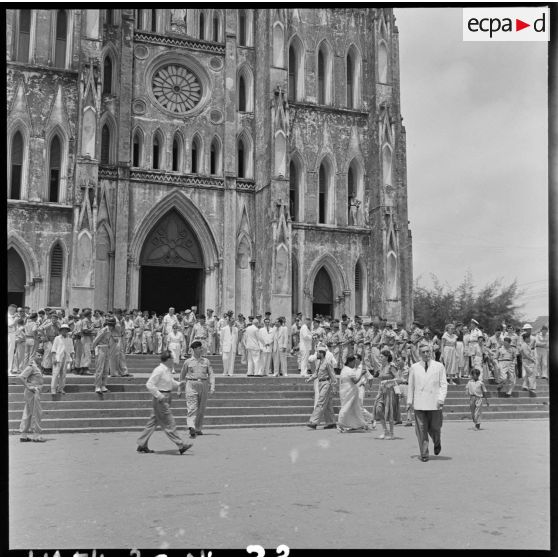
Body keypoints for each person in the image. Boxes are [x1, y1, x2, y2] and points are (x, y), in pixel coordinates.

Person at [136, 350, 193, 454]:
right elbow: (149, 384)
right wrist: (159, 395)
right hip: (161, 398)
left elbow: (169, 382)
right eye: (172, 358)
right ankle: (181, 444)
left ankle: (142, 444)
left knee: (152, 422)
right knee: (169, 422)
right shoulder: (159, 370)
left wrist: (178, 384)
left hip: (166, 396)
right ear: (168, 359)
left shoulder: (166, 370)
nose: (173, 360)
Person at [407, 344, 448, 462]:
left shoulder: (439, 366)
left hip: (434, 402)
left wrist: (441, 399)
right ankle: (424, 453)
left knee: (435, 427)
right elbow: (411, 386)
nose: (426, 354)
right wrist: (409, 401)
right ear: (419, 354)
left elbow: (443, 384)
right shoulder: (414, 367)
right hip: (419, 403)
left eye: (427, 351)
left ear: (431, 352)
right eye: (423, 352)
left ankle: (437, 441)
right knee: (421, 429)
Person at [179, 341, 215, 438]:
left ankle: (198, 428)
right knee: (192, 407)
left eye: (201, 348)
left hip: (203, 384)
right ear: (194, 349)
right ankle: (191, 426)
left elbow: (211, 374)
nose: (201, 349)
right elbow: (182, 375)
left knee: (201, 408)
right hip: (191, 384)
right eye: (199, 348)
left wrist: (212, 386)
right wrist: (180, 388)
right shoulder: (188, 362)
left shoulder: (206, 361)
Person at [305, 344, 337, 430]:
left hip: (326, 383)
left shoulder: (327, 362)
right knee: (327, 405)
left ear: (322, 353)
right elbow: (316, 373)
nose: (317, 354)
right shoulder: (319, 362)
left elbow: (332, 375)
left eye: (318, 353)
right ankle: (331, 422)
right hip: (320, 383)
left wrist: (334, 386)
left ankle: (313, 422)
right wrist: (309, 379)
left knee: (320, 402)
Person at [337, 355, 370, 432]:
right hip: (350, 391)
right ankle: (340, 423)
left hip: (346, 390)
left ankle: (359, 424)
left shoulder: (344, 369)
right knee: (347, 407)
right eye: (353, 362)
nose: (354, 364)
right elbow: (355, 381)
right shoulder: (349, 370)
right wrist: (361, 374)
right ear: (350, 362)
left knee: (355, 408)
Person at [373, 349, 400, 440]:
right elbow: (380, 379)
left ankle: (391, 433)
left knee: (390, 411)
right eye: (380, 356)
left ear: (387, 357)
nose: (380, 358)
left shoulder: (391, 366)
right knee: (378, 409)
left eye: (382, 356)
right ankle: (385, 431)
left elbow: (398, 378)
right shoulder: (381, 367)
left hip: (390, 391)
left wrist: (388, 381)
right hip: (381, 391)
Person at [18, 355, 46, 443]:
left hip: (33, 391)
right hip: (33, 391)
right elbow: (21, 377)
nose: (40, 357)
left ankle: (23, 435)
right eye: (38, 355)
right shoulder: (32, 367)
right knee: (36, 412)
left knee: (28, 412)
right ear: (34, 356)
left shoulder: (37, 367)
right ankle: (36, 435)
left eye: (41, 355)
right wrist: (28, 387)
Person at [50, 323, 75, 395]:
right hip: (58, 357)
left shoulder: (70, 339)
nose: (65, 331)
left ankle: (60, 388)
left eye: (66, 330)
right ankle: (53, 389)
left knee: (63, 374)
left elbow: (72, 350)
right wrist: (54, 358)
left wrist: (73, 359)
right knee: (55, 374)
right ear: (61, 331)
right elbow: (54, 349)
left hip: (66, 357)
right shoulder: (57, 338)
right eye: (63, 330)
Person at [220, 312, 238, 376]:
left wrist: (235, 347)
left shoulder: (236, 329)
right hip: (225, 346)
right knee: (225, 359)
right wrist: (221, 348)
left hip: (232, 347)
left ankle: (230, 372)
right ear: (229, 321)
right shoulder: (223, 329)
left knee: (232, 360)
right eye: (232, 321)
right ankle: (225, 371)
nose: (233, 322)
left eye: (233, 321)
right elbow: (221, 339)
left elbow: (236, 339)